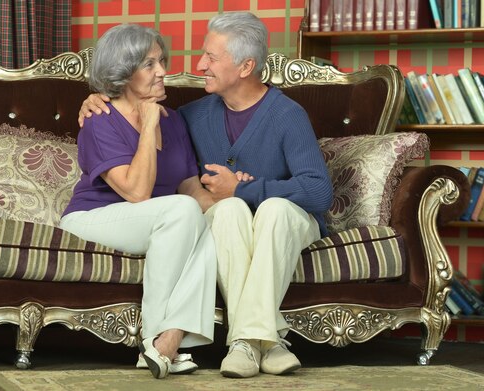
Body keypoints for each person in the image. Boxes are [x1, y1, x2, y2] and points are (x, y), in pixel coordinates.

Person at [78, 12, 333, 379]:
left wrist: (245, 189)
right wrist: (96, 97)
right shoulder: (192, 116)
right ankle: (268, 343)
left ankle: (245, 340)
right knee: (226, 213)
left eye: (212, 58)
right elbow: (129, 109)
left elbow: (319, 191)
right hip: (226, 215)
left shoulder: (288, 115)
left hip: (289, 220)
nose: (199, 66)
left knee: (274, 209)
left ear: (246, 66)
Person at [60, 23, 218, 380]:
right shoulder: (100, 120)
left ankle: (167, 343)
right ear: (123, 72)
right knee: (181, 210)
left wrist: (230, 210)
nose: (163, 71)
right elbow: (136, 192)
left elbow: (190, 187)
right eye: (149, 64)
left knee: (207, 225)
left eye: (161, 60)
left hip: (158, 220)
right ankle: (155, 334)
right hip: (94, 217)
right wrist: (147, 125)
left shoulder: (174, 121)